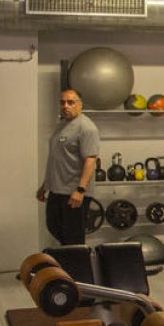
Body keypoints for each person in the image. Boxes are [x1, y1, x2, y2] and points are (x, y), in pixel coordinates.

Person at [36, 88, 99, 245]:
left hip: (74, 192)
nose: (66, 106)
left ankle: (78, 268)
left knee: (74, 238)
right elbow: (57, 159)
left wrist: (80, 190)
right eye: (62, 102)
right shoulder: (61, 125)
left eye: (71, 102)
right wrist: (45, 185)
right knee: (53, 226)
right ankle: (67, 266)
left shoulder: (87, 128)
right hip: (57, 190)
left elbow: (90, 160)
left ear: (80, 105)